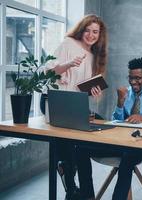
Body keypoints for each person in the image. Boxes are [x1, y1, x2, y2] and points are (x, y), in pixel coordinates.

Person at [76, 57, 142, 200]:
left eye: (137, 78)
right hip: (120, 143)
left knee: (127, 159)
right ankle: (87, 196)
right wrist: (120, 103)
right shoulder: (126, 93)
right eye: (130, 78)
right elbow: (116, 122)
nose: (133, 82)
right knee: (81, 149)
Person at [45, 14, 108, 200]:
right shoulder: (68, 44)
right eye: (87, 30)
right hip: (56, 101)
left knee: (97, 128)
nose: (90, 35)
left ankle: (78, 186)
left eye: (95, 32)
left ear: (100, 35)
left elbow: (81, 88)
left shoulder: (95, 56)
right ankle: (73, 187)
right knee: (74, 142)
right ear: (81, 29)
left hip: (74, 104)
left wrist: (92, 91)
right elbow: (47, 70)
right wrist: (68, 64)